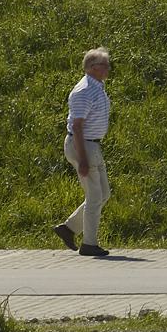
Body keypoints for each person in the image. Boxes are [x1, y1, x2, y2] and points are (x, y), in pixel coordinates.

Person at [54, 48, 113, 257]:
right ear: (91, 68)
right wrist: (83, 159)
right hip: (83, 145)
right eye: (103, 65)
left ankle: (68, 229)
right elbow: (77, 126)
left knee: (103, 194)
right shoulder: (84, 90)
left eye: (107, 64)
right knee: (95, 196)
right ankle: (89, 244)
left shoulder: (97, 87)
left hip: (92, 145)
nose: (107, 68)